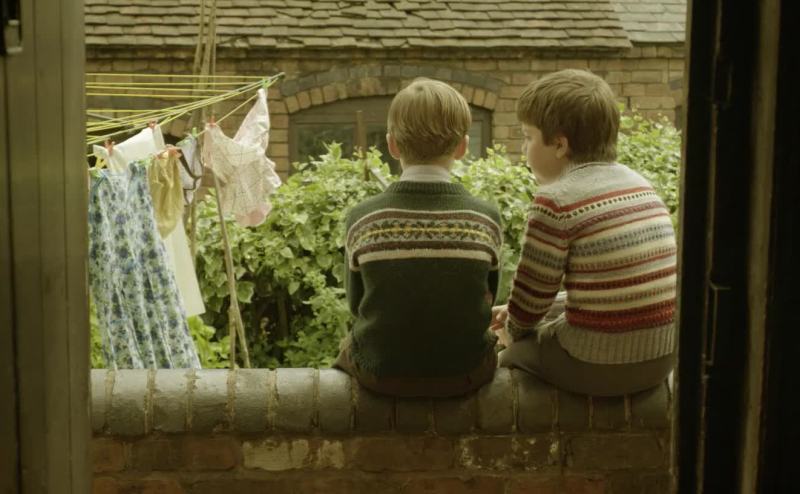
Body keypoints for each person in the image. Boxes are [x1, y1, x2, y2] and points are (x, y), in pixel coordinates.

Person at [491, 69, 676, 396]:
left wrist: (510, 328)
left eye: (527, 137)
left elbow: (528, 306)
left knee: (510, 357)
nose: (523, 149)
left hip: (599, 365)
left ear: (559, 144)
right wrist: (552, 309)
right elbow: (612, 292)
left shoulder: (556, 201)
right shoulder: (640, 185)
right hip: (663, 358)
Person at [334, 78, 503, 397]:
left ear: (392, 145)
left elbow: (357, 304)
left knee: (347, 346)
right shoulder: (485, 217)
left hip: (380, 375)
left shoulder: (363, 217)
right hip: (466, 374)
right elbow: (488, 297)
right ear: (463, 147)